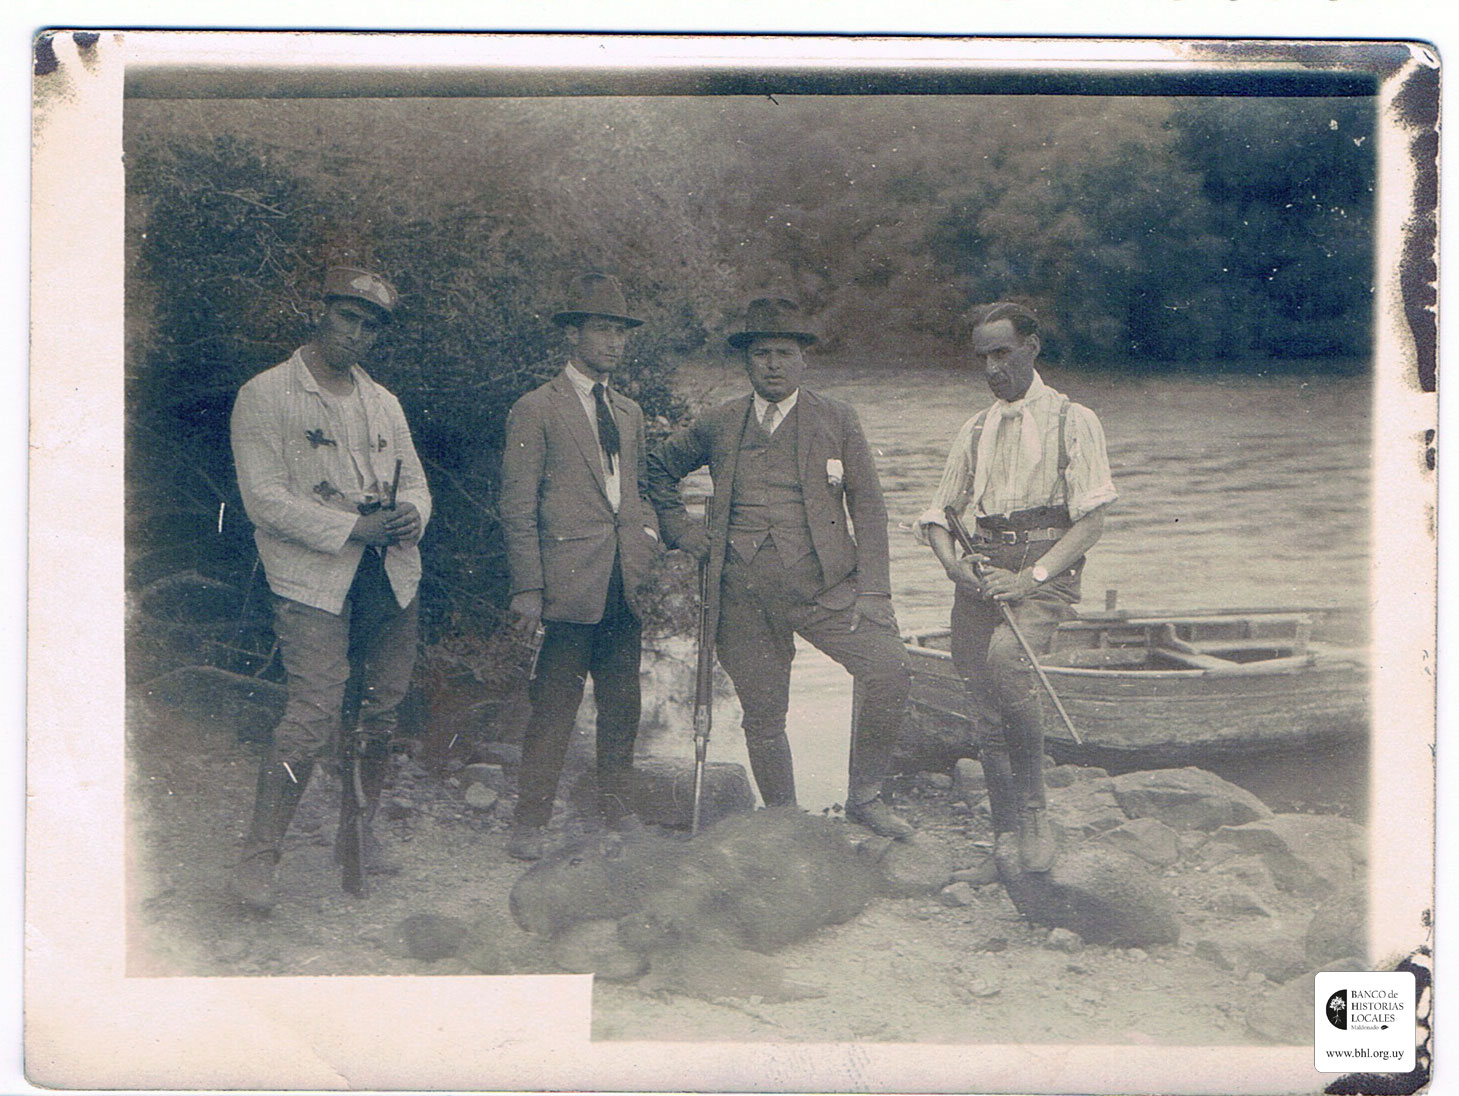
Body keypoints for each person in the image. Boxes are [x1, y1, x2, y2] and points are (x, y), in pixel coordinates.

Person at [647, 297, 914, 839]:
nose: (772, 364)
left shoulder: (837, 419)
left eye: (784, 353)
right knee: (765, 716)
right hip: (742, 594)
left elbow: (868, 506)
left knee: (889, 670)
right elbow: (655, 469)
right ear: (746, 361)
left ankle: (865, 797)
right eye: (761, 353)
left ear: (803, 359)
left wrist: (875, 592)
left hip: (826, 589)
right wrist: (684, 533)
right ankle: (786, 820)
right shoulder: (720, 422)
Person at [228, 265, 431, 912]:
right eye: (348, 317)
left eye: (371, 326)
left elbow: (416, 483)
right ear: (321, 313)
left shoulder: (384, 402)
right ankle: (259, 859)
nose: (356, 334)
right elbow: (264, 500)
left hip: (388, 573)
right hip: (312, 579)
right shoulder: (266, 395)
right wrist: (352, 528)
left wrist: (412, 515)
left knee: (381, 710)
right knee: (313, 714)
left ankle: (358, 838)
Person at [918, 301, 1116, 873]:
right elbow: (938, 515)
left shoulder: (1074, 420)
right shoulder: (975, 428)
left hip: (1045, 572)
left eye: (1003, 353)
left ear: (1032, 347)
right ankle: (1005, 834)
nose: (992, 369)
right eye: (983, 357)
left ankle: (1034, 813)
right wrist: (953, 566)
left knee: (1007, 661)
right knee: (982, 703)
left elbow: (1092, 523)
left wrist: (1030, 579)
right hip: (982, 574)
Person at [499, 273, 662, 861]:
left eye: (621, 331)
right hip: (566, 584)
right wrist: (528, 587)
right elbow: (517, 506)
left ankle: (617, 810)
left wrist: (646, 542)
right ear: (572, 335)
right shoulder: (536, 409)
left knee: (623, 704)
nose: (614, 342)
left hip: (622, 581)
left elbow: (634, 491)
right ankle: (530, 820)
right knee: (554, 707)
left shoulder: (629, 411)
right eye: (601, 329)